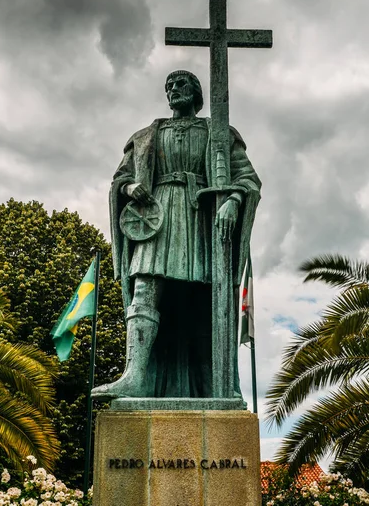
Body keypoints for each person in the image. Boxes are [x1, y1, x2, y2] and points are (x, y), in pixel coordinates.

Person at [92, 70, 261, 400]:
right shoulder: (145, 137)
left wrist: (234, 199)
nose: (173, 90)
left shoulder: (219, 132)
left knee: (205, 300)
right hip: (156, 216)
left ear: (197, 92)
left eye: (181, 84)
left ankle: (217, 383)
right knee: (144, 287)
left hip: (202, 220)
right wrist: (130, 187)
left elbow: (248, 178)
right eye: (168, 85)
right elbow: (119, 180)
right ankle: (135, 375)